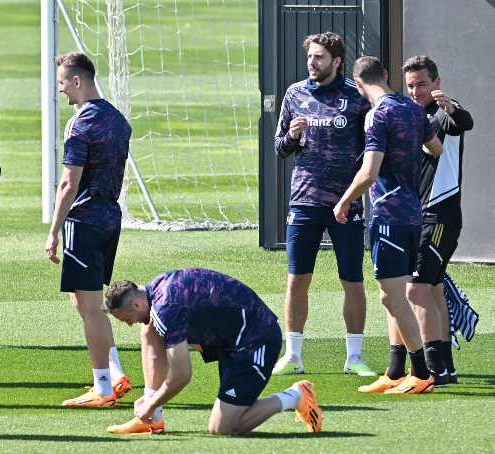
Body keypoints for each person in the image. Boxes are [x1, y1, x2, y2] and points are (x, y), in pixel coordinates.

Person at [334, 56, 443, 394]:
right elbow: (435, 148)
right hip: (412, 212)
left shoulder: (376, 115)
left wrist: (343, 201)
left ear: (358, 83)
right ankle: (396, 372)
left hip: (390, 215)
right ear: (384, 74)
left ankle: (421, 373)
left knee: (393, 297)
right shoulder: (411, 108)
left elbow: (368, 172)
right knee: (390, 295)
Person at [104, 268, 322, 435]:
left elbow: (181, 376)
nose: (129, 324)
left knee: (222, 428)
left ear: (135, 304)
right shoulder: (155, 288)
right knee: (149, 329)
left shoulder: (166, 307)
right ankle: (151, 420)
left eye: (125, 320)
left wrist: (150, 403)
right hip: (229, 337)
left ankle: (296, 396)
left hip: (255, 341)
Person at [273, 32, 374, 377]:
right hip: (304, 202)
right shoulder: (294, 94)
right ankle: (293, 355)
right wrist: (292, 136)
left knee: (352, 280)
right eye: (310, 58)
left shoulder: (356, 97)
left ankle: (355, 357)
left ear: (337, 62)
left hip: (347, 204)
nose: (312, 64)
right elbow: (279, 147)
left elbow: (374, 145)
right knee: (297, 280)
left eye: (319, 58)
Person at [44, 51, 132, 407]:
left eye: (63, 83)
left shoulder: (80, 125)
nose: (61, 90)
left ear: (77, 81)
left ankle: (103, 387)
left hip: (85, 219)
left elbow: (69, 183)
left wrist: (53, 230)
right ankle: (115, 373)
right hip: (111, 215)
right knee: (83, 298)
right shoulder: (118, 119)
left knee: (92, 306)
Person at [403, 56, 474, 385]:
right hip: (426, 216)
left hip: (439, 216)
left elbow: (465, 121)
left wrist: (451, 106)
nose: (416, 90)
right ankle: (445, 369)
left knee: (416, 291)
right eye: (411, 85)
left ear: (436, 82)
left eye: (421, 84)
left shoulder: (444, 113)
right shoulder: (416, 115)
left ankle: (431, 369)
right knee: (432, 289)